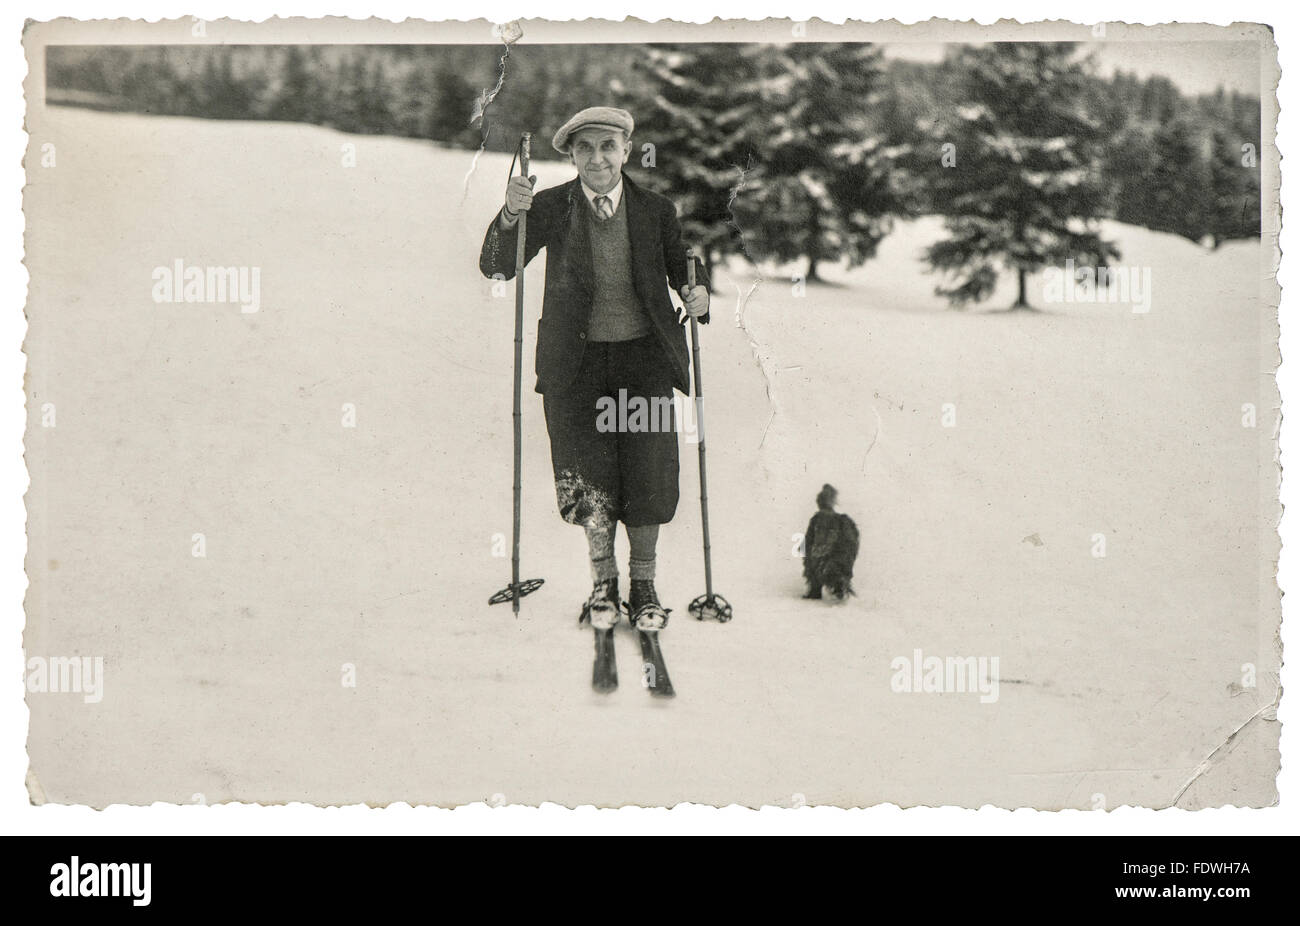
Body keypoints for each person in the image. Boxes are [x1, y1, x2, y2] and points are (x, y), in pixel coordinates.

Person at [479, 106, 710, 633]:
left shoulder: (655, 210)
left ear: (626, 151)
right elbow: (497, 264)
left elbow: (686, 270)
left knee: (648, 474)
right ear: (572, 156)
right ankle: (603, 584)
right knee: (591, 477)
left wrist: (697, 294)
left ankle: (644, 585)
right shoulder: (550, 207)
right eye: (585, 148)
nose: (597, 158)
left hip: (644, 361)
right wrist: (510, 216)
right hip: (574, 365)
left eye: (608, 146)